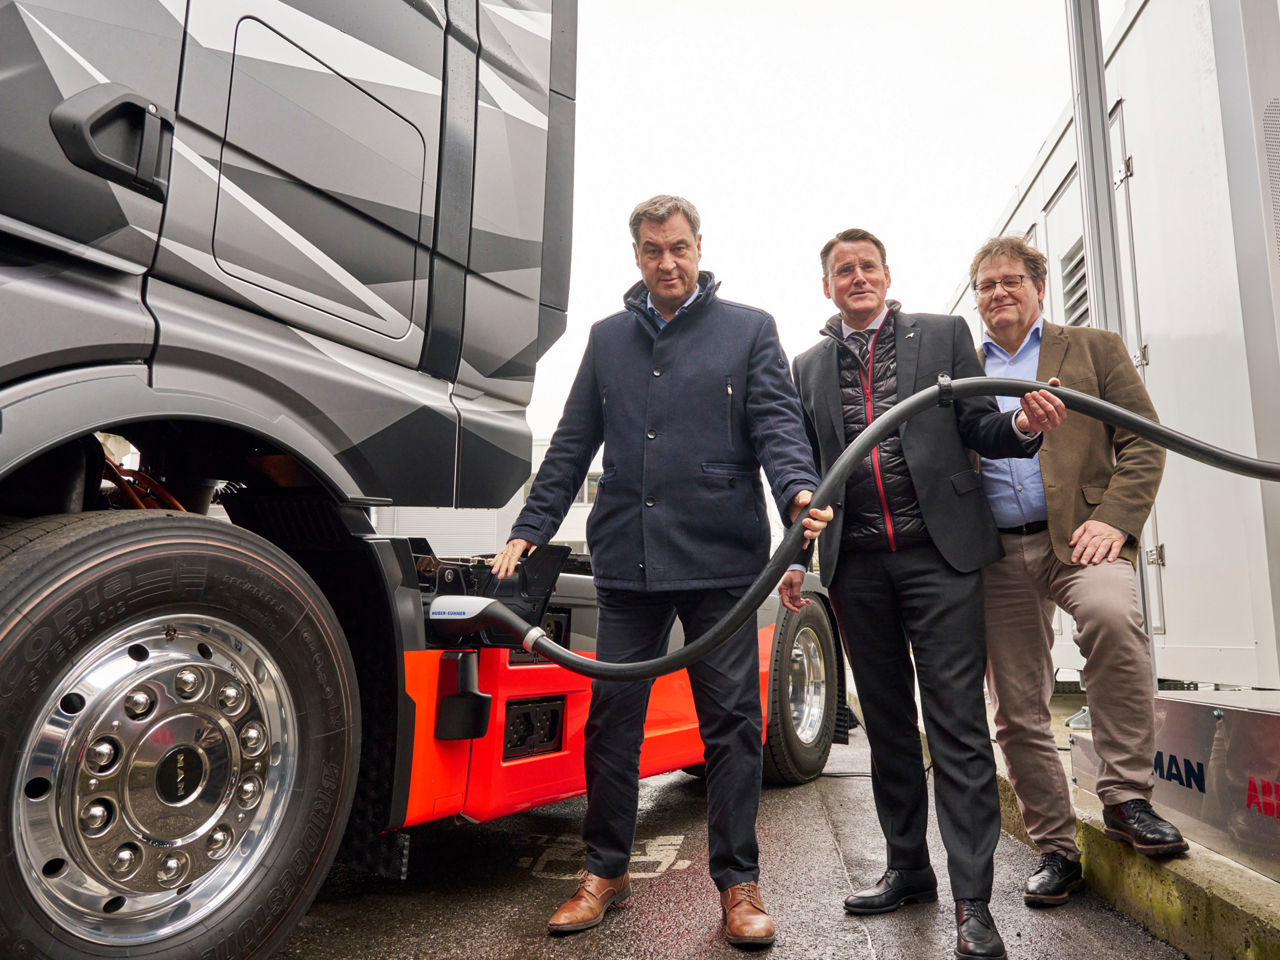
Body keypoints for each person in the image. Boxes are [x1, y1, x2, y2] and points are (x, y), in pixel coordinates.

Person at [491, 195, 832, 948]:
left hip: (721, 563)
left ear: (700, 246)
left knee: (734, 727)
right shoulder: (608, 338)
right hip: (630, 561)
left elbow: (777, 424)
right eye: (653, 251)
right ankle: (604, 872)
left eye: (678, 248)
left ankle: (738, 886)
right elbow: (572, 443)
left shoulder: (748, 329)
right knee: (614, 722)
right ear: (637, 255)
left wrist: (798, 492)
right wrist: (528, 530)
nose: (667, 262)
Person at [785, 227, 1065, 960]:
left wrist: (1023, 425)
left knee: (959, 727)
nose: (857, 278)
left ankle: (974, 902)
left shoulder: (941, 335)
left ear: (886, 274)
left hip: (940, 558)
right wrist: (793, 555)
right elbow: (805, 469)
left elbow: (979, 423)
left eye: (867, 266)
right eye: (842, 270)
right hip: (857, 567)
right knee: (885, 721)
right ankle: (908, 867)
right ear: (827, 287)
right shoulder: (808, 365)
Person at [970, 235, 1185, 909]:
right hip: (996, 553)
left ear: (1040, 288)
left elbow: (1144, 438)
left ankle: (1125, 800)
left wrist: (1117, 521)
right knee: (1016, 706)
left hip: (1082, 540)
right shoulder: (962, 367)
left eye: (1011, 281)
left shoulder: (1093, 348)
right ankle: (1057, 847)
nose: (997, 293)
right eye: (985, 285)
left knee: (1113, 620)